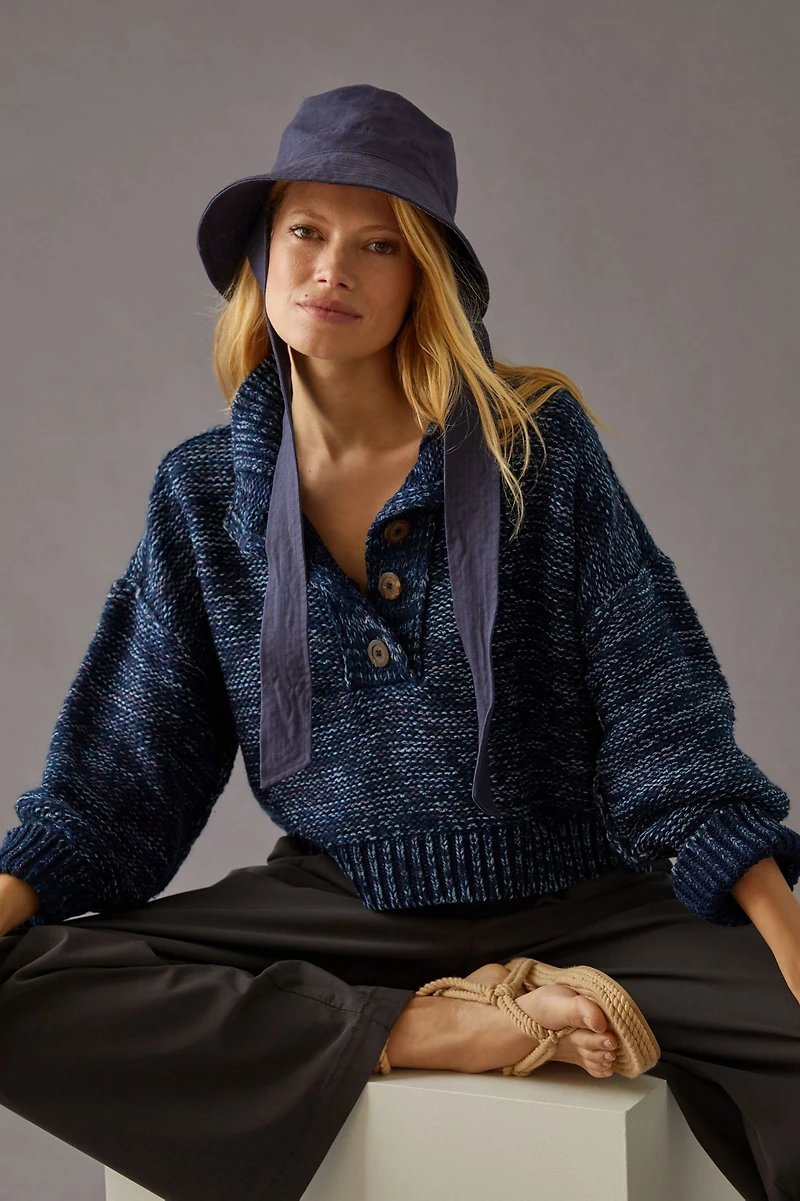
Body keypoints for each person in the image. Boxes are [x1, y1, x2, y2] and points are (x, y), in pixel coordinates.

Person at [0, 83, 799, 1201]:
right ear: (263, 256)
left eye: (378, 244)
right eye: (306, 232)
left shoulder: (535, 447)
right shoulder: (202, 494)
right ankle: (417, 1030)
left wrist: (784, 931)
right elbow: (120, 783)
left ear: (424, 277)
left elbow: (659, 713)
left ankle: (428, 1018)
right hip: (342, 911)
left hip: (591, 903)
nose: (333, 268)